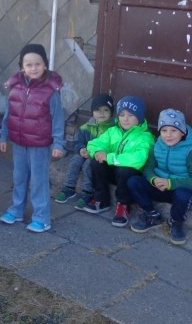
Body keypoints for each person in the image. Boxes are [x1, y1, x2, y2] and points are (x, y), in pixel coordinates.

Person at [0, 44, 66, 233]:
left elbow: (58, 118)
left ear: (45, 64)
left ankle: (41, 218)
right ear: (22, 66)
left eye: (38, 64)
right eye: (29, 64)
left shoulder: (51, 90)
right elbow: (8, 113)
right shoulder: (15, 87)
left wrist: (58, 143)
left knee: (39, 181)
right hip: (19, 143)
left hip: (39, 145)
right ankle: (17, 210)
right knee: (19, 178)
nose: (33, 68)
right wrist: (3, 135)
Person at [84, 96, 154, 228]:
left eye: (130, 115)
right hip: (114, 172)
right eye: (122, 115)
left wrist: (110, 158)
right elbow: (95, 143)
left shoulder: (145, 137)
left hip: (130, 175)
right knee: (96, 162)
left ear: (139, 117)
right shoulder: (113, 131)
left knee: (124, 170)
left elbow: (139, 158)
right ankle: (101, 199)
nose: (125, 119)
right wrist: (98, 151)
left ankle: (123, 205)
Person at [128, 109, 192, 245]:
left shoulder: (189, 149)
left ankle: (175, 222)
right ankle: (152, 215)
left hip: (179, 189)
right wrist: (154, 179)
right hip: (159, 186)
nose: (168, 135)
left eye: (174, 130)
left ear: (182, 131)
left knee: (183, 195)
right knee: (134, 181)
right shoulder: (158, 145)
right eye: (164, 130)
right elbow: (149, 167)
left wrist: (171, 183)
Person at [55, 93, 115, 210]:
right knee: (75, 160)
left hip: (99, 157)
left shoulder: (113, 129)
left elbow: (113, 146)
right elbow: (78, 142)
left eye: (106, 110)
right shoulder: (86, 127)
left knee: (88, 165)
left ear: (111, 112)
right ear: (92, 112)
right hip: (86, 153)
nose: (101, 113)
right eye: (97, 110)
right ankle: (69, 187)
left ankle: (87, 192)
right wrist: (81, 149)